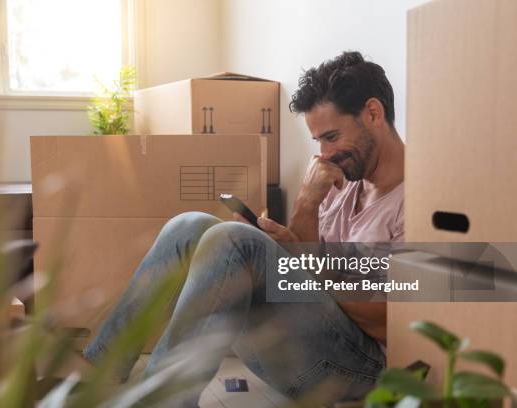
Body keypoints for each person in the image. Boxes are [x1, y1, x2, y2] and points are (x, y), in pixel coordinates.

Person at [83, 51, 405, 406]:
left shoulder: (419, 200)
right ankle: (98, 371)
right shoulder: (345, 179)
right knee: (190, 226)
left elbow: (390, 321)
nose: (324, 154)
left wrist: (292, 262)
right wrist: (303, 211)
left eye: (331, 136)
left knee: (234, 241)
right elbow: (313, 264)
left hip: (360, 368)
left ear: (373, 113)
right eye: (318, 142)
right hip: (304, 343)